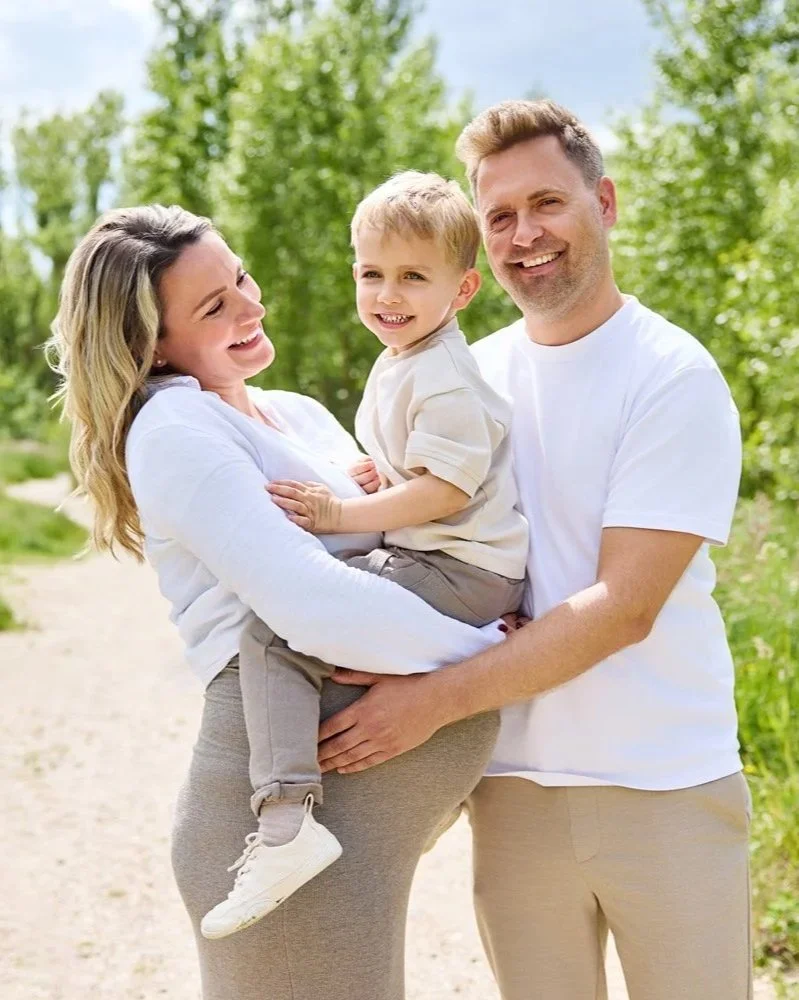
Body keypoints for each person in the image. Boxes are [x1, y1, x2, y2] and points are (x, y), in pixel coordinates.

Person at [314, 99, 752, 1000]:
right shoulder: (469, 371)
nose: (524, 234)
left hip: (659, 782)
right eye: (499, 216)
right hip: (510, 786)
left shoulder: (670, 375)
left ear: (606, 203)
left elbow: (625, 606)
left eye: (547, 203)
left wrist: (429, 701)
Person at [46, 204, 506, 1000]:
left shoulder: (297, 415)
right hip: (280, 821)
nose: (251, 307)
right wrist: (497, 661)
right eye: (214, 306)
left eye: (241, 278)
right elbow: (314, 610)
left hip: (361, 826)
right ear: (151, 344)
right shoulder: (174, 429)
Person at [197, 170, 529, 939]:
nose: (388, 293)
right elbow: (427, 469)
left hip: (459, 568)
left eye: (414, 276)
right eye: (371, 273)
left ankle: (284, 820)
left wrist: (341, 512)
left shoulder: (443, 372)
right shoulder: (406, 357)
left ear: (464, 289)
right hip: (454, 563)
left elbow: (445, 492)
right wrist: (379, 472)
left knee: (276, 633)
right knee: (301, 620)